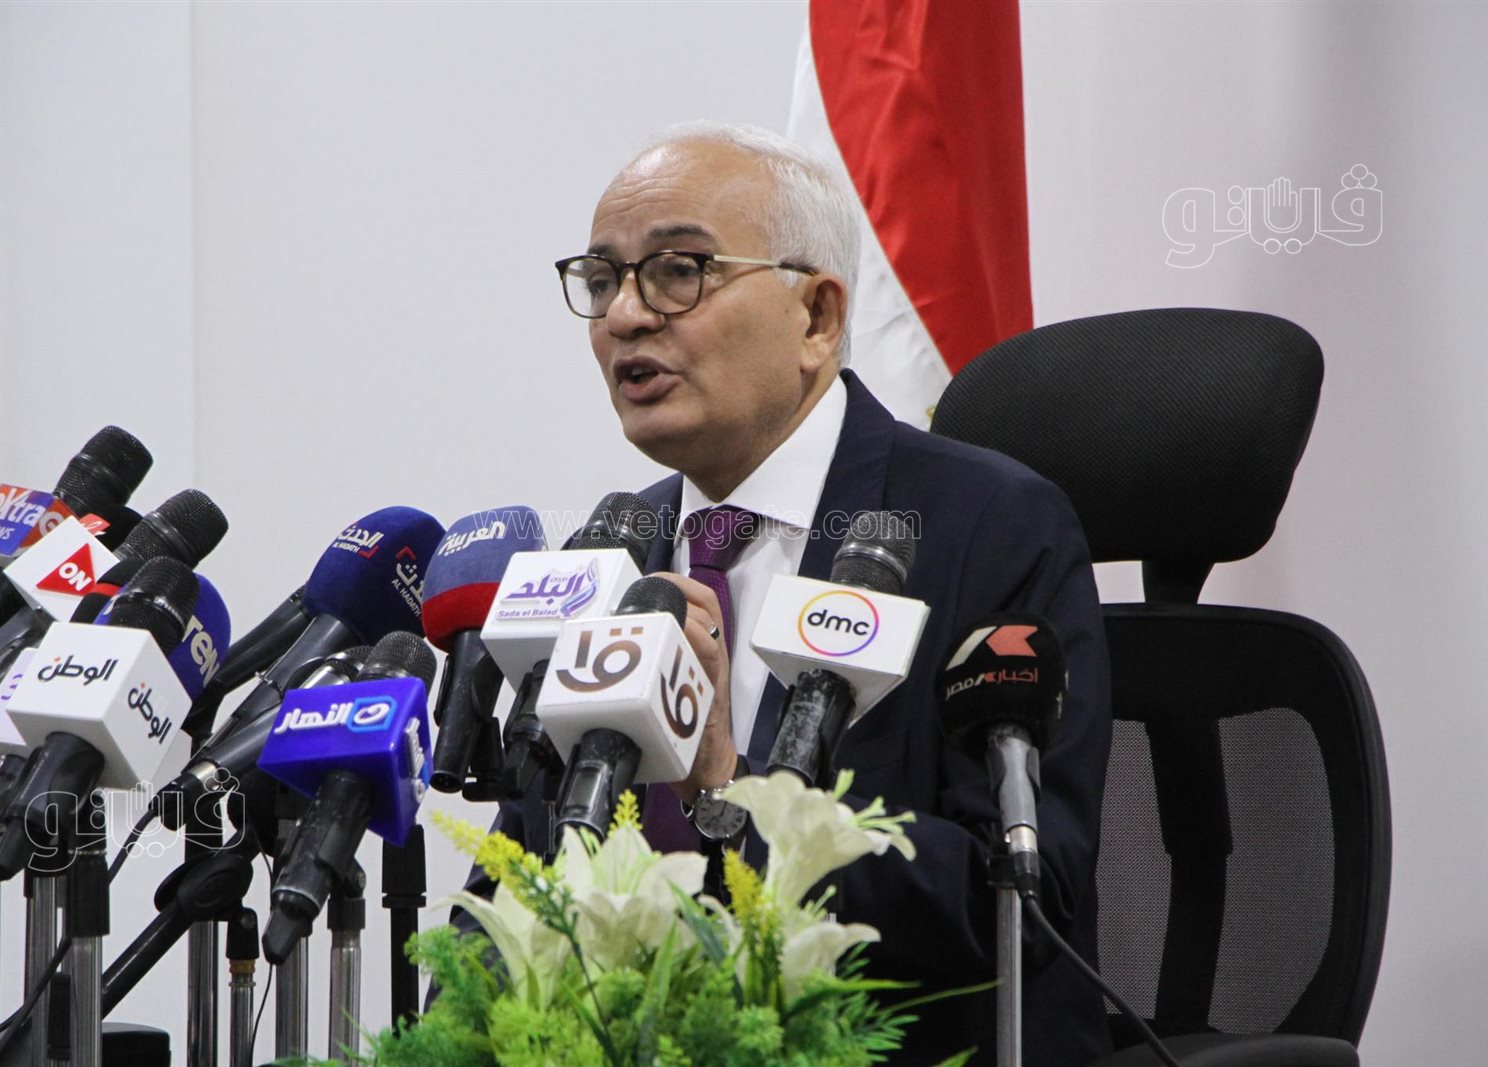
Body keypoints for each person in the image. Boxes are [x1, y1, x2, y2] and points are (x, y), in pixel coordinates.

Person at [466, 122, 1113, 1066]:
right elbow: (520, 878)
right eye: (602, 280)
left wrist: (735, 792)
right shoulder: (608, 556)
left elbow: (1017, 895)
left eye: (678, 271)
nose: (625, 316)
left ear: (816, 315)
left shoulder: (991, 527)